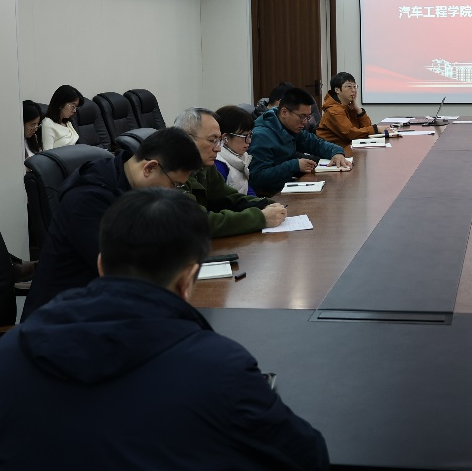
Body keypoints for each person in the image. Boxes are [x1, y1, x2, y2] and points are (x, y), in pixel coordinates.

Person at [0, 188, 328, 471]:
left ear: (100, 264)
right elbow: (305, 465)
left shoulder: (10, 353)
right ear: (188, 279)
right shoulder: (217, 368)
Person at [22, 127, 201, 319]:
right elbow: (125, 270)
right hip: (60, 320)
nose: (173, 193)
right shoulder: (88, 199)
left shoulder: (126, 181)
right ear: (149, 168)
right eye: (174, 185)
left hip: (106, 308)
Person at [175, 108, 288, 237]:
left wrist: (266, 204)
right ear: (188, 140)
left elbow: (229, 198)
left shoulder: (204, 166)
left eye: (219, 141)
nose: (218, 148)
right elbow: (198, 222)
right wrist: (260, 218)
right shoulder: (173, 173)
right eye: (212, 140)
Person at [249, 87, 348, 196]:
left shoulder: (289, 127)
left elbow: (316, 144)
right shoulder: (261, 136)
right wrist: (293, 165)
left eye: (308, 117)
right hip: (272, 195)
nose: (305, 122)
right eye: (302, 117)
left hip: (290, 186)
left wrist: (336, 152)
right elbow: (257, 178)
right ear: (284, 112)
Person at [316, 72, 382, 150]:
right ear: (337, 90)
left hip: (346, 146)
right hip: (332, 150)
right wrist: (376, 129)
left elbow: (366, 128)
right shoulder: (334, 111)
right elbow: (351, 134)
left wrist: (358, 110)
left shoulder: (347, 106)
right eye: (349, 87)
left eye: (355, 86)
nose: (353, 90)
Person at [213, 104, 257, 194]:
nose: (249, 141)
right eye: (244, 136)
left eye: (250, 135)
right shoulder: (218, 165)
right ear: (225, 137)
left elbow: (246, 189)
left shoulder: (240, 156)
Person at [40, 85, 82, 150]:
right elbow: (47, 153)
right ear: (60, 104)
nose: (74, 111)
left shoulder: (68, 122)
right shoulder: (48, 124)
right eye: (73, 106)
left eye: (76, 107)